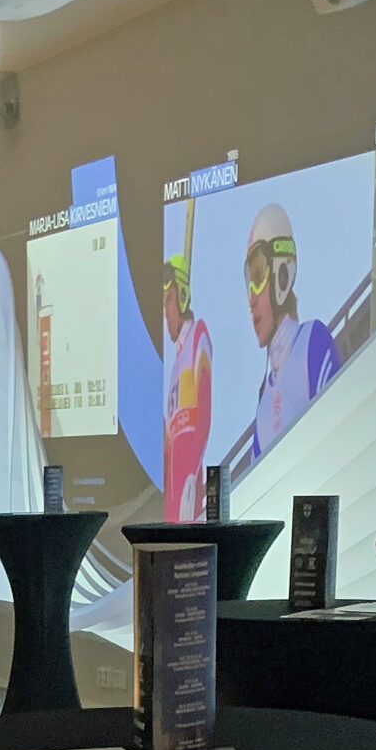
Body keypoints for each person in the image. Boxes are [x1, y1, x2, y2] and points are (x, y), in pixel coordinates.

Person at [224, 202, 341, 474]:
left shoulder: (313, 340)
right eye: (248, 282)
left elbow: (338, 440)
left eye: (258, 276)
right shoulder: (263, 399)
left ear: (282, 274)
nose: (251, 299)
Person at [160, 211, 212, 522]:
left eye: (168, 300)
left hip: (190, 487)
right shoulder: (173, 369)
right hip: (172, 495)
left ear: (182, 296)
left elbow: (203, 413)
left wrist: (192, 475)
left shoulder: (198, 336)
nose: (165, 311)